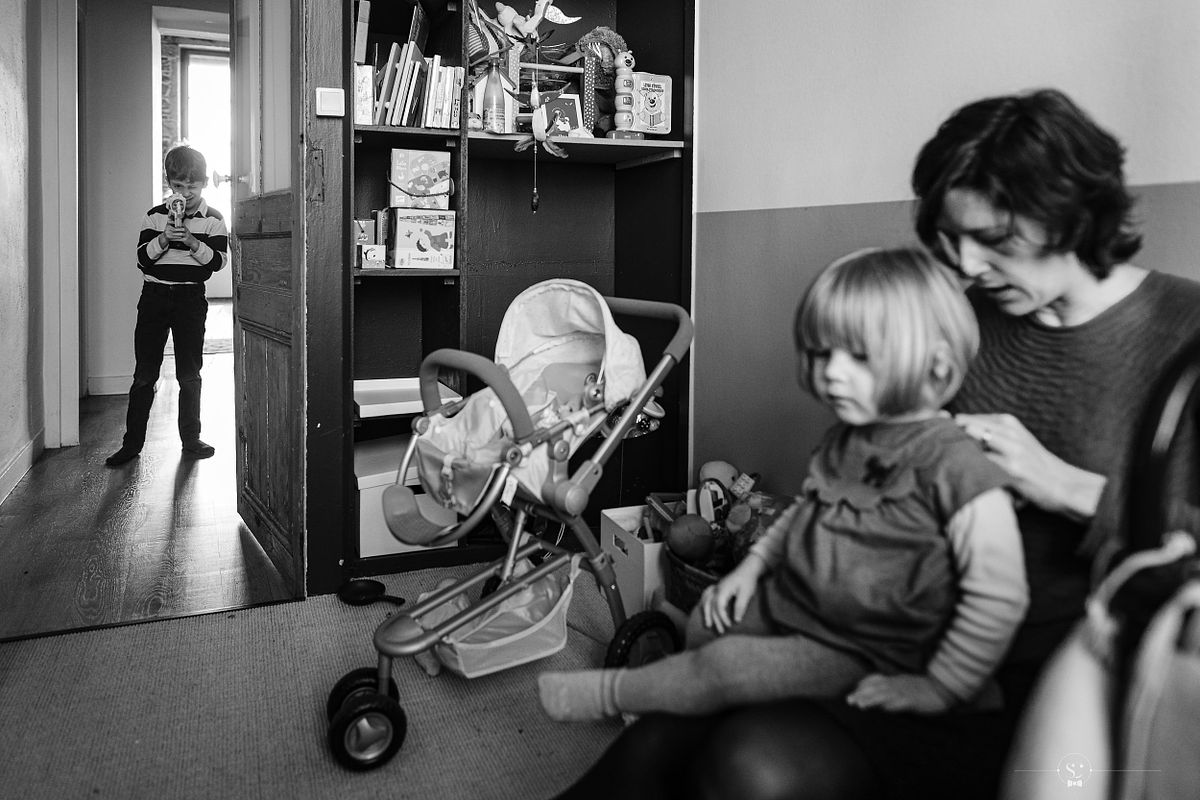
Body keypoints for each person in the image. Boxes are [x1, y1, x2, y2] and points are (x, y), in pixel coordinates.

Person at [551, 88, 1200, 800]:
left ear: (1076, 212)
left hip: (1053, 681)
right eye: (950, 239)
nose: (966, 265)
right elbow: (860, 469)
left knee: (750, 761)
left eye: (994, 240)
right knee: (671, 725)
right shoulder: (955, 316)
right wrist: (769, 571)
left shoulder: (1182, 334)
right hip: (885, 630)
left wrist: (1068, 488)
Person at [539, 247, 1027, 722]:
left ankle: (616, 694)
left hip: (865, 644)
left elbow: (998, 595)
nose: (831, 373)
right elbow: (805, 517)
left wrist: (943, 685)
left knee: (726, 669)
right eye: (821, 353)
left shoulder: (957, 466)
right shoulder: (846, 441)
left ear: (936, 366)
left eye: (858, 356)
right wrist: (752, 572)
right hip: (795, 603)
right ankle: (694, 701)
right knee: (710, 618)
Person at [106, 145, 229, 467]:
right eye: (179, 186)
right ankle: (131, 444)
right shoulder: (154, 215)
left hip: (190, 300)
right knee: (145, 374)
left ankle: (191, 439)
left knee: (190, 374)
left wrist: (190, 241)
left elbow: (215, 264)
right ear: (169, 184)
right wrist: (163, 239)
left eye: (193, 187)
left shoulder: (214, 219)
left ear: (203, 184)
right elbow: (142, 261)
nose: (186, 194)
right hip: (155, 297)